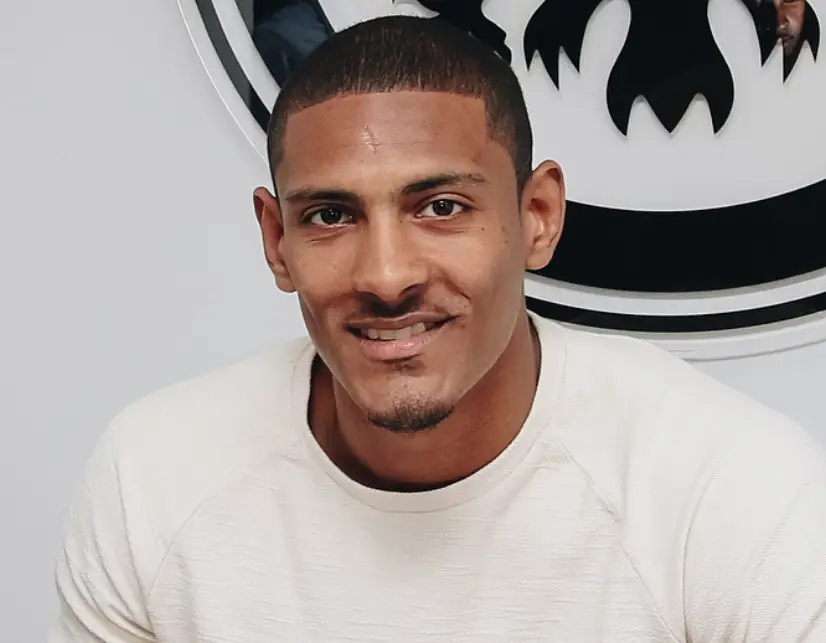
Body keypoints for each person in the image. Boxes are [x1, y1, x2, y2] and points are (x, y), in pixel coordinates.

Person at [49, 15, 826, 642]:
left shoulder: (727, 489)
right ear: (276, 240)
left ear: (537, 217)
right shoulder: (155, 476)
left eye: (441, 207)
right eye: (331, 215)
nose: (387, 276)